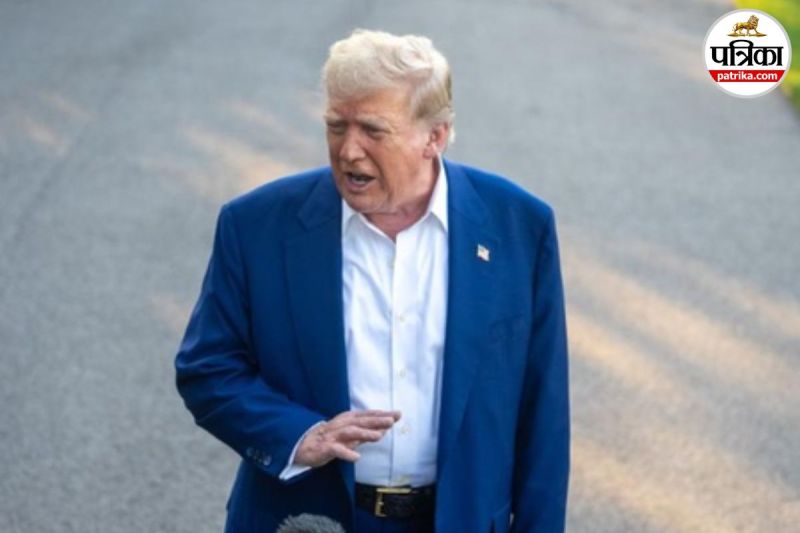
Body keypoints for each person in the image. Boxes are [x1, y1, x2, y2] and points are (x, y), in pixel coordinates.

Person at [175, 29, 569, 533]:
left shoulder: (519, 226)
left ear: (435, 137)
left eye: (373, 131)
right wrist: (299, 436)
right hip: (303, 518)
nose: (348, 151)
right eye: (336, 126)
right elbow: (207, 368)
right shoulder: (256, 225)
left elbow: (543, 410)